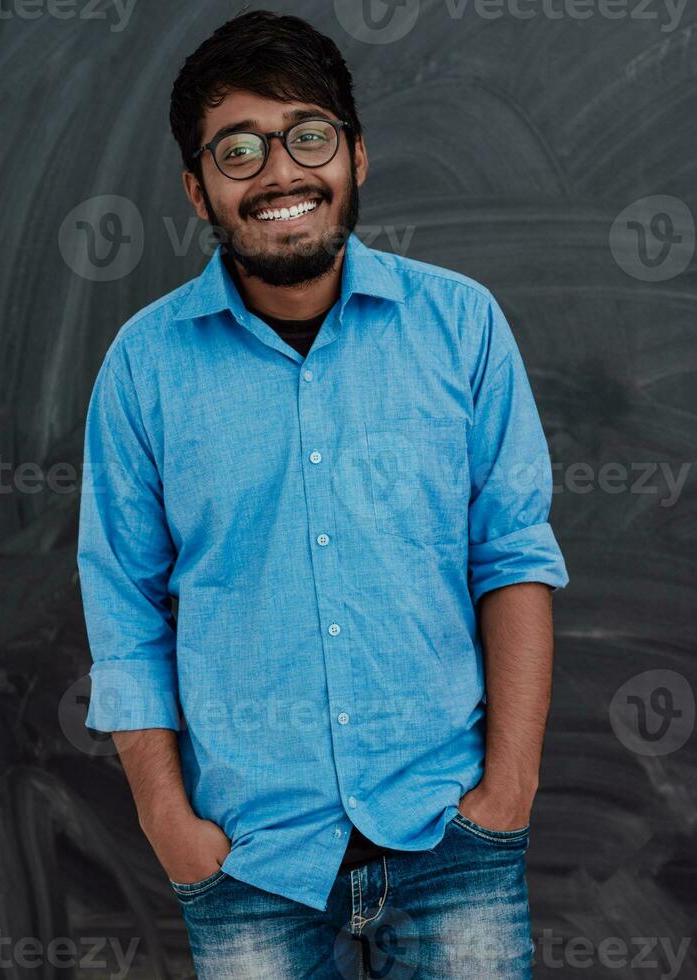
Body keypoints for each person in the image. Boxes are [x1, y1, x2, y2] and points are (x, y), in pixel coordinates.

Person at [77, 9, 569, 978]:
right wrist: (170, 824)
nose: (280, 173)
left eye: (308, 135)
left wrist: (509, 786)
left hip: (451, 846)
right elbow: (123, 607)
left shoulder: (461, 327)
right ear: (196, 188)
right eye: (239, 149)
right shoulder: (144, 367)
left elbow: (510, 556)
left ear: (356, 156)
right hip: (253, 866)